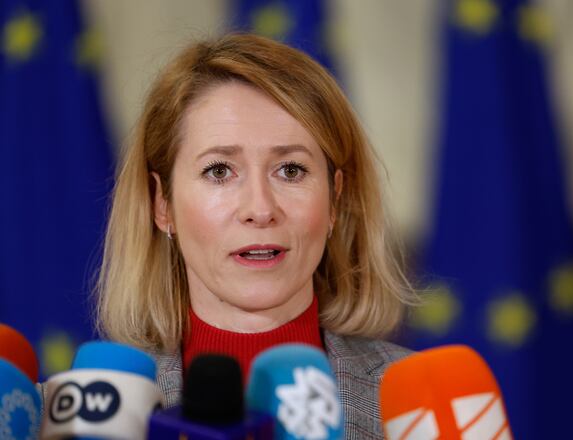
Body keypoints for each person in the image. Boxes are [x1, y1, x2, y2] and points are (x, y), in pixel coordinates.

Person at [93, 33, 416, 437]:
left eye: (291, 170)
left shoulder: (416, 410)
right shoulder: (83, 416)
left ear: (335, 199)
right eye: (219, 171)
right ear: (162, 204)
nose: (260, 210)